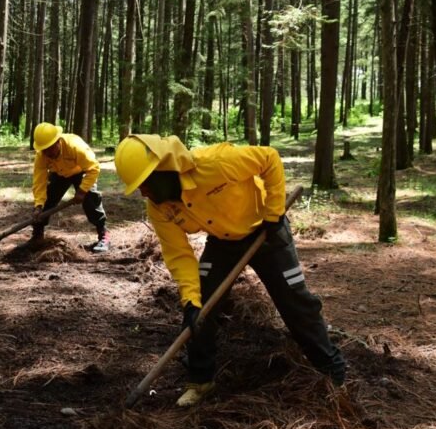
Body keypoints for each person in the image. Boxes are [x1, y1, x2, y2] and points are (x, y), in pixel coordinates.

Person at [113, 134, 346, 407]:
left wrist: (273, 213)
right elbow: (179, 255)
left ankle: (332, 370)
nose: (144, 193)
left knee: (293, 300)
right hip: (223, 241)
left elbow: (269, 158)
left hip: (267, 232)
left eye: (145, 183)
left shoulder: (215, 163)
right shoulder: (159, 208)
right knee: (200, 309)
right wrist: (190, 300)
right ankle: (200, 380)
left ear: (164, 169)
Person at [27, 122, 110, 253]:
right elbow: (39, 181)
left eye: (50, 148)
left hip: (81, 171)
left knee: (90, 198)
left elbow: (94, 168)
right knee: (46, 200)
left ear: (58, 142)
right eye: (44, 150)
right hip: (59, 173)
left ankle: (103, 234)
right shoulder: (42, 155)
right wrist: (38, 205)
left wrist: (82, 191)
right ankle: (37, 235)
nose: (47, 153)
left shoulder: (75, 146)